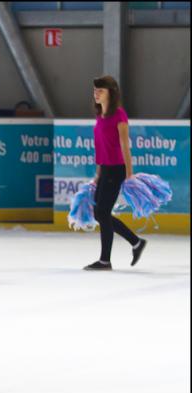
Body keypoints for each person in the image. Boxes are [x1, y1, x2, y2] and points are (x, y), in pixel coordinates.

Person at [84, 75, 146, 270]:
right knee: (99, 213)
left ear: (111, 93)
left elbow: (124, 146)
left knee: (102, 212)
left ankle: (105, 260)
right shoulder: (100, 116)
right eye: (95, 91)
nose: (96, 94)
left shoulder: (119, 115)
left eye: (100, 91)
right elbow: (100, 147)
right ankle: (136, 242)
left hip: (117, 169)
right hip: (105, 169)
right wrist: (97, 173)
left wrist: (129, 174)